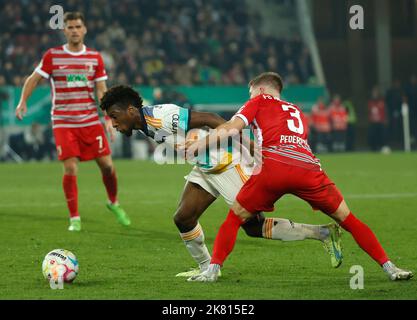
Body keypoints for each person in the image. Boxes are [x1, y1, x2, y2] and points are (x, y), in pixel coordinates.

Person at [186, 72, 413, 282]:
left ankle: (213, 270)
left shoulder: (259, 101)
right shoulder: (297, 111)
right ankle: (391, 268)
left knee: (235, 218)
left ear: (261, 89)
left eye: (250, 92)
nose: (250, 96)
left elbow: (231, 128)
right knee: (349, 219)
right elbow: (293, 141)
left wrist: (200, 144)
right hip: (308, 168)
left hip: (274, 168)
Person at [99, 85, 344, 277]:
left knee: (253, 227)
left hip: (228, 164)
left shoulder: (162, 117)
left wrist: (246, 144)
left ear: (131, 111)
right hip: (206, 167)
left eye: (114, 116)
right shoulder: (143, 124)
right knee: (183, 218)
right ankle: (207, 267)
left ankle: (322, 233)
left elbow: (211, 118)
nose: (114, 123)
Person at [15, 12, 130, 231]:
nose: (74, 30)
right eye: (70, 27)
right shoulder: (53, 56)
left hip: (89, 121)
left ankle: (113, 202)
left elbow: (101, 90)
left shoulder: (95, 57)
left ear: (84, 29)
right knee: (70, 168)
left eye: (78, 26)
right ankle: (74, 217)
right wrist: (23, 101)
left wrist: (108, 117)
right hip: (63, 122)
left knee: (107, 166)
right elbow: (34, 78)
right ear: (64, 30)